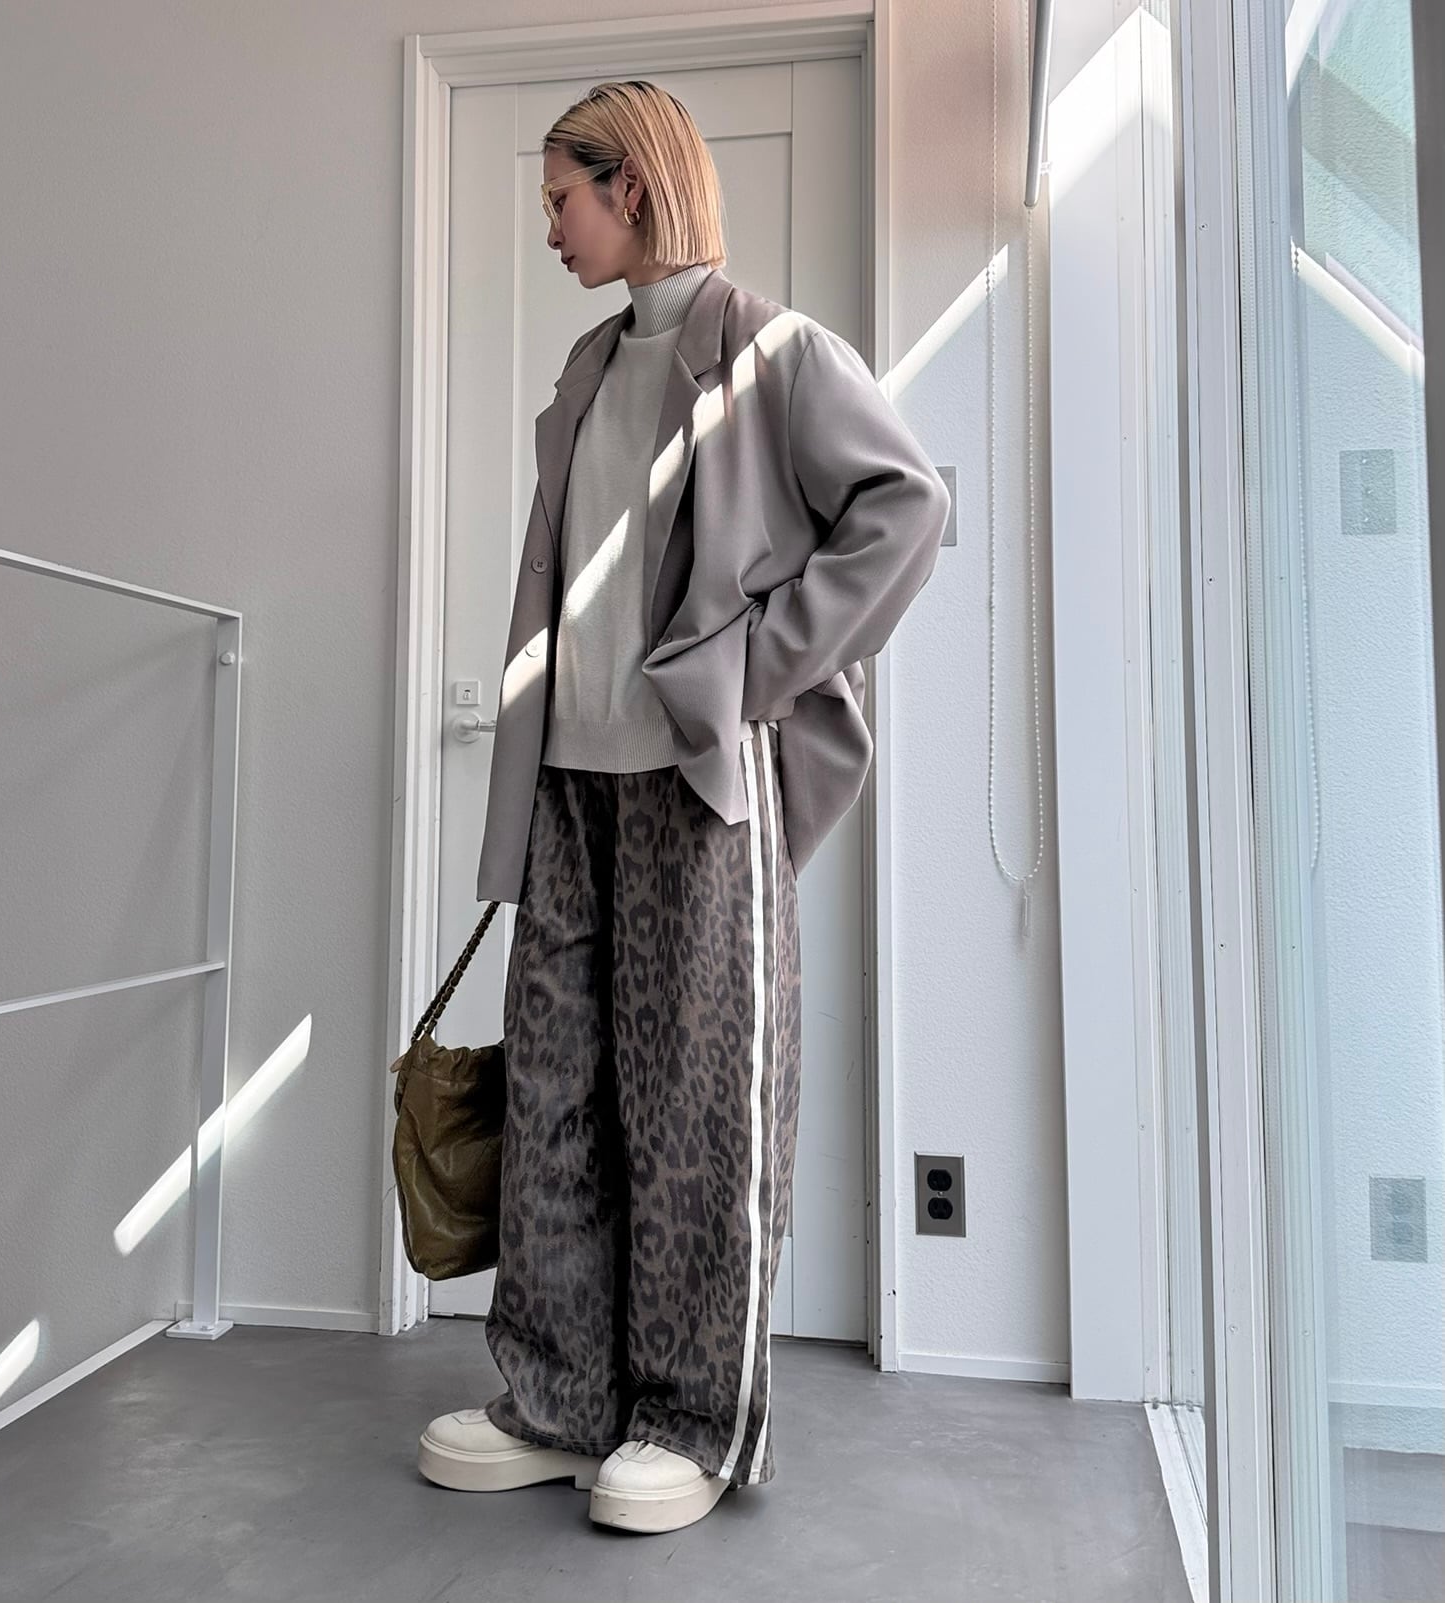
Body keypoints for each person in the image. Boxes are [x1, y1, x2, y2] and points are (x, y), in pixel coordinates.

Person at [417, 79, 949, 1536]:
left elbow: (906, 508)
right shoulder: (588, 366)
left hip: (699, 791)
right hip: (568, 787)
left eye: (562, 197)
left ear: (633, 187)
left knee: (701, 1108)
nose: (550, 226)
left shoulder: (777, 352)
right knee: (555, 1096)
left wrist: (755, 669)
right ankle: (555, 1399)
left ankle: (694, 1416)